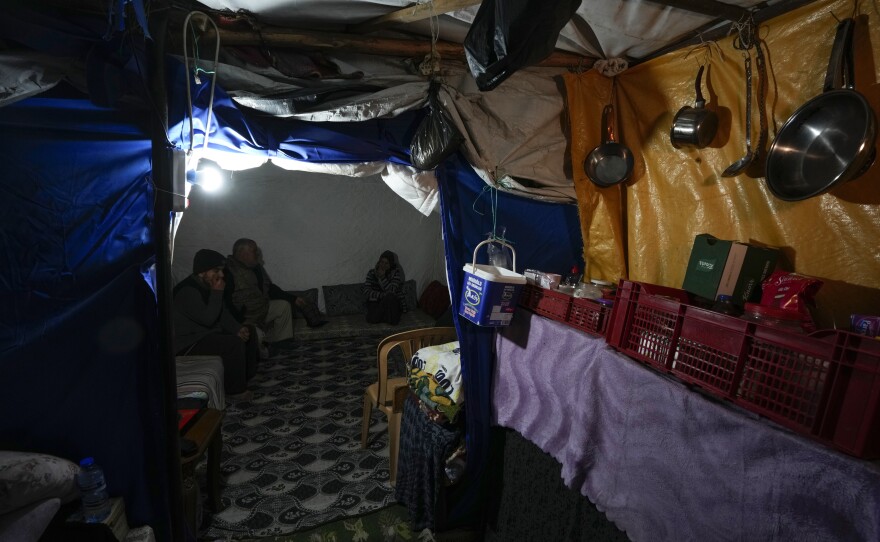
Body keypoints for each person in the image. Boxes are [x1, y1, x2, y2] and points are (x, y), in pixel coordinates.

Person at [172, 249, 258, 400]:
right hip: (188, 343)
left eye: (222, 271)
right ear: (201, 272)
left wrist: (238, 328)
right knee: (232, 344)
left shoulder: (207, 286)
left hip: (204, 334)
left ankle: (246, 377)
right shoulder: (187, 291)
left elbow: (222, 313)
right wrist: (217, 293)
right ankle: (235, 391)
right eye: (216, 271)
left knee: (249, 330)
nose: (221, 275)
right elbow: (208, 319)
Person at [224, 238, 326, 352]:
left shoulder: (256, 267)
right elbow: (225, 303)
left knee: (283, 306)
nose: (258, 254)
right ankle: (264, 349)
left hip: (261, 309)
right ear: (243, 254)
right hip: (246, 318)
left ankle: (282, 342)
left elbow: (270, 288)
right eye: (255, 251)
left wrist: (293, 299)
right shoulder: (228, 272)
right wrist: (238, 324)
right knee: (257, 343)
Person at [363, 250, 407, 325]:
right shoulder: (372, 273)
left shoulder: (395, 273)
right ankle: (386, 318)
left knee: (390, 297)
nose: (383, 265)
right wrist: (382, 295)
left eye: (386, 263)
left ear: (391, 264)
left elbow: (392, 290)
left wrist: (383, 278)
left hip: (391, 303)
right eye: (382, 262)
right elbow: (366, 292)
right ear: (379, 262)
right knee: (371, 317)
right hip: (377, 303)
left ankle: (388, 320)